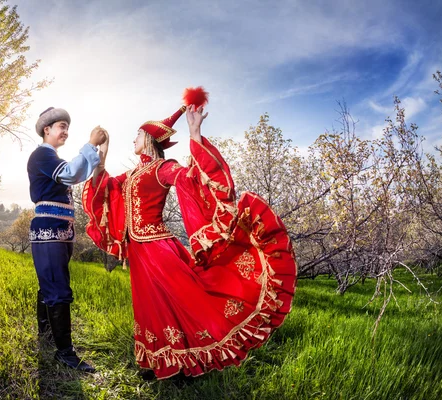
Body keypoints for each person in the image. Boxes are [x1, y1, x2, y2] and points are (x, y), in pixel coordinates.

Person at [82, 88, 297, 380]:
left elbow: (193, 178)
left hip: (158, 247)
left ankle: (186, 358)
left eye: (136, 135)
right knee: (150, 306)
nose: (133, 139)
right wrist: (103, 153)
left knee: (183, 299)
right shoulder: (132, 174)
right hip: (138, 249)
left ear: (147, 139)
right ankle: (161, 360)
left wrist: (194, 134)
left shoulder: (163, 168)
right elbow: (103, 189)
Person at [28, 106, 107, 373]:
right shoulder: (43, 154)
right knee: (58, 288)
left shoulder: (53, 158)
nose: (65, 131)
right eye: (61, 126)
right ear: (46, 129)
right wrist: (90, 144)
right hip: (49, 229)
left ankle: (48, 336)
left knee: (49, 284)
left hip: (61, 229)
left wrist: (99, 153)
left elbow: (77, 172)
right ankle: (65, 353)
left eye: (66, 126)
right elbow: (72, 173)